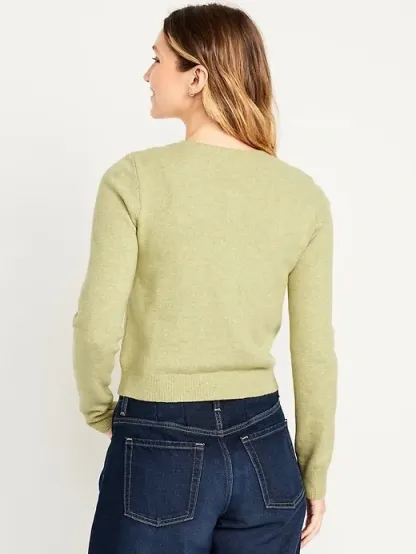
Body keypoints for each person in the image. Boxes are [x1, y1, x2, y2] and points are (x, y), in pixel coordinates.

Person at [72, 3, 338, 553]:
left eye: (157, 59)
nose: (147, 74)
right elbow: (315, 352)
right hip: (267, 452)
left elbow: (96, 326)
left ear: (197, 77)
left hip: (157, 440)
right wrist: (313, 473)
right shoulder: (303, 196)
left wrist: (101, 409)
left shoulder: (134, 180)